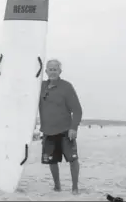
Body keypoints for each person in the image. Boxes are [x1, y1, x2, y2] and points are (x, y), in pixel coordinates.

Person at [39, 59, 83, 195]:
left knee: (72, 159)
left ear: (60, 71)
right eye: (50, 69)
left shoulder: (66, 87)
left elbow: (77, 110)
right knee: (52, 161)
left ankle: (75, 187)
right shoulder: (40, 87)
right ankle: (57, 186)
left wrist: (73, 128)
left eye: (55, 69)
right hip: (48, 131)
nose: (52, 71)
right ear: (45, 71)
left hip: (65, 131)